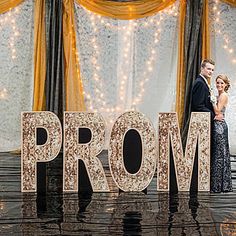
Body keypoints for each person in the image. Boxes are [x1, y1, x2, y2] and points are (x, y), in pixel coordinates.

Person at [210, 74, 233, 193]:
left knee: (220, 155)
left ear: (226, 85)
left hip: (220, 127)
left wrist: (213, 101)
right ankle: (217, 184)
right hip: (217, 125)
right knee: (217, 154)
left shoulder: (223, 95)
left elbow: (218, 111)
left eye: (221, 83)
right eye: (218, 82)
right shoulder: (219, 94)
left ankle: (219, 185)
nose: (219, 85)